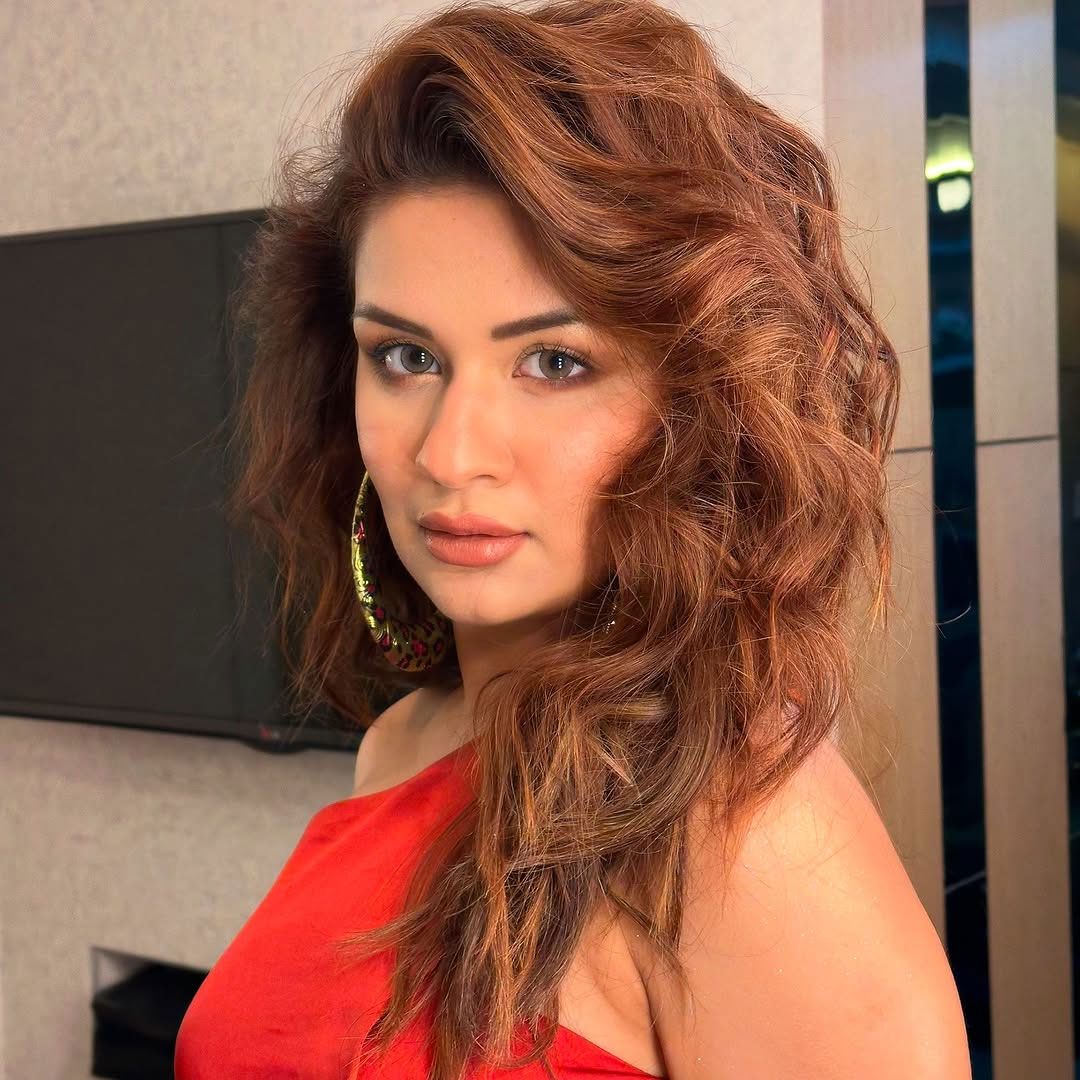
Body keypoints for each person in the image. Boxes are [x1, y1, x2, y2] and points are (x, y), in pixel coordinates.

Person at [175, 0, 972, 1077]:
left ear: (703, 406)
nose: (452, 452)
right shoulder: (399, 745)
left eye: (555, 364)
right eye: (405, 358)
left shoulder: (744, 835)